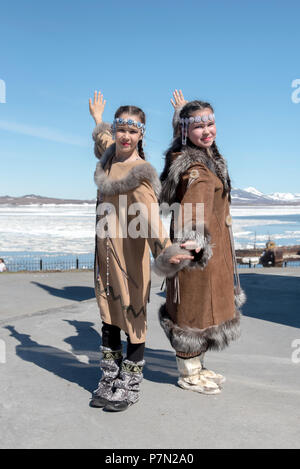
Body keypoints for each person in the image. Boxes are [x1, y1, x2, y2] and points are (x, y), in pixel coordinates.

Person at [88, 91, 195, 412]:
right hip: (104, 254)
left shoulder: (141, 172)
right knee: (108, 317)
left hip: (130, 256)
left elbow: (150, 218)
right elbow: (103, 141)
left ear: (141, 135)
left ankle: (130, 383)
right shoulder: (109, 158)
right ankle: (109, 376)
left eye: (132, 131)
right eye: (121, 129)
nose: (125, 136)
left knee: (132, 317)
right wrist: (97, 120)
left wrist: (166, 250)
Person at [157, 90, 246, 395]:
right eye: (198, 126)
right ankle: (189, 375)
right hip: (195, 254)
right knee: (192, 314)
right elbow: (194, 204)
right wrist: (193, 239)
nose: (207, 131)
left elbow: (184, 144)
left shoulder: (204, 156)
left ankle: (198, 367)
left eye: (210, 123)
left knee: (204, 312)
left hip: (212, 253)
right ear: (186, 132)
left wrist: (181, 114)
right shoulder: (196, 168)